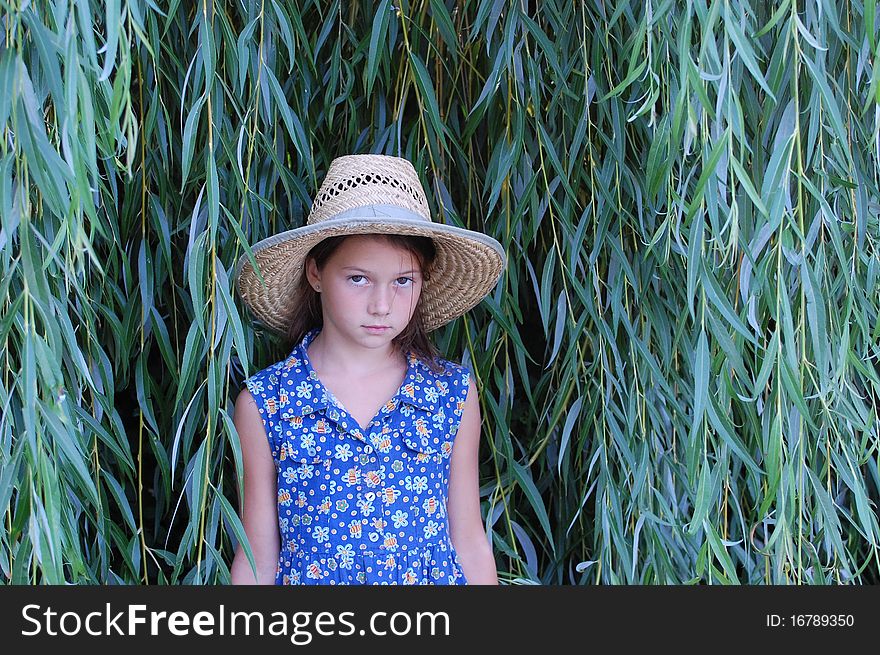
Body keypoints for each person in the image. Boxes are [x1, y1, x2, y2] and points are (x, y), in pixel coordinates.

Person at [230, 154, 505, 585]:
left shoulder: (450, 394)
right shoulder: (267, 404)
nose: (381, 305)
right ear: (316, 272)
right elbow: (258, 557)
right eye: (358, 279)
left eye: (403, 281)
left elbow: (468, 538)